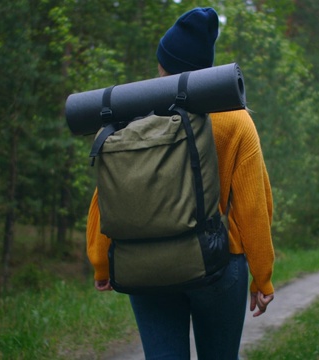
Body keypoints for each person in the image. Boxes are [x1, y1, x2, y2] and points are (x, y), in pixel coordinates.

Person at [86, 7, 275, 359]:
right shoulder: (235, 120)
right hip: (219, 264)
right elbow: (254, 206)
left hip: (145, 264)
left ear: (162, 64)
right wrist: (262, 276)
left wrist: (101, 261)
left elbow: (109, 195)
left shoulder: (133, 113)